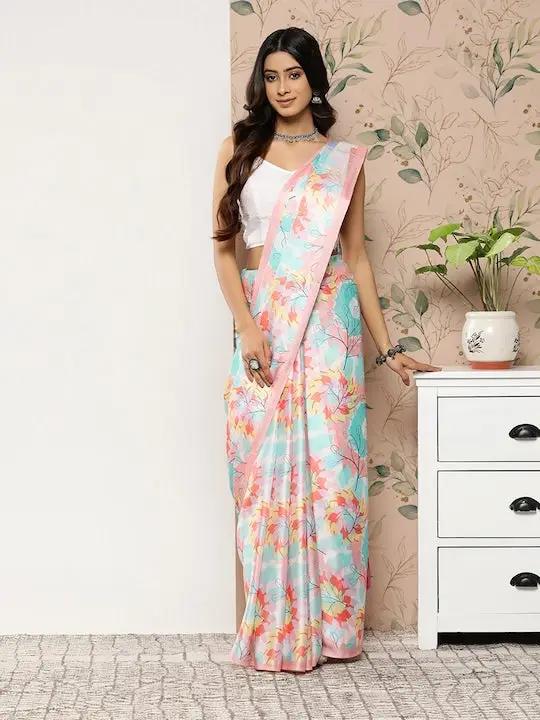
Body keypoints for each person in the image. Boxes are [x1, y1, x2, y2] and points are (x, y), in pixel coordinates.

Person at [212, 26, 441, 673]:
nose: (283, 88)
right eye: (272, 76)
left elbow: (356, 258)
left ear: (314, 78)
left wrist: (388, 347)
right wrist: (248, 327)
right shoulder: (239, 148)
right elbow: (224, 250)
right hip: (267, 315)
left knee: (331, 473)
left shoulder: (345, 163)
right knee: (261, 465)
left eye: (294, 74)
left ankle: (334, 629)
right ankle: (273, 623)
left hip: (330, 328)